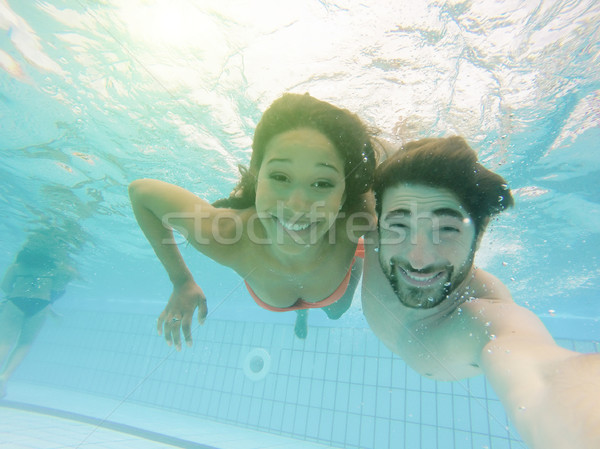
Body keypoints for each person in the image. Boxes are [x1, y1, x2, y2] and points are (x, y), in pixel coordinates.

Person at [361, 136, 600, 449]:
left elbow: (540, 370)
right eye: (399, 226)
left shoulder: (482, 313)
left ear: (481, 230)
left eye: (446, 229)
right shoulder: (372, 226)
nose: (418, 259)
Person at [129, 93, 377, 346]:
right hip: (302, 292)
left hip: (332, 292)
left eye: (322, 183)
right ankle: (303, 312)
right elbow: (141, 193)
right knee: (334, 308)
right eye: (280, 177)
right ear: (256, 175)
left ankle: (306, 310)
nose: (297, 206)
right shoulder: (225, 233)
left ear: (344, 194)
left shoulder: (361, 216)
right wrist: (181, 281)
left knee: (336, 312)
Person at [0, 231, 77, 399]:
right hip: (40, 305)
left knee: (6, 341)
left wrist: (14, 297)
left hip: (16, 301)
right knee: (25, 343)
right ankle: (4, 377)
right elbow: (57, 288)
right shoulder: (54, 269)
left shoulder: (17, 266)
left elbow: (5, 286)